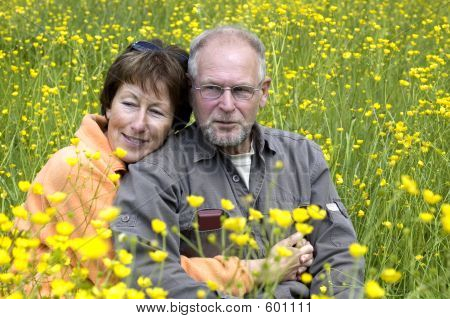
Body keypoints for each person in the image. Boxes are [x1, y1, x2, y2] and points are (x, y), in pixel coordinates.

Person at [20, 39, 312, 297]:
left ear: (174, 125)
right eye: (130, 104)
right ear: (108, 106)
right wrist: (258, 270)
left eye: (157, 111)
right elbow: (129, 278)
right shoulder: (77, 167)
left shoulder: (156, 173)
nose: (139, 123)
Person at [112, 26, 365, 299]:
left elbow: (340, 253)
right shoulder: (155, 173)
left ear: (264, 92)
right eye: (212, 89)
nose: (227, 105)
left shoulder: (303, 156)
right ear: (190, 91)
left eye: (242, 90)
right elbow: (150, 275)